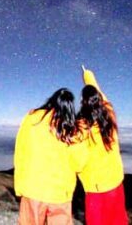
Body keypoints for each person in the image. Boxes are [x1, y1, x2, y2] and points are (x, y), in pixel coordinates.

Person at [14, 88, 88, 225]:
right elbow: (79, 163)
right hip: (60, 193)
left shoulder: (32, 119)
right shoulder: (73, 129)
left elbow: (20, 153)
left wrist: (19, 187)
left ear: (51, 101)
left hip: (32, 188)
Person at [77, 66, 127, 225]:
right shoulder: (109, 115)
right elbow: (101, 96)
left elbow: (78, 158)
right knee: (118, 220)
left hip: (96, 187)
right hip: (115, 181)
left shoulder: (81, 127)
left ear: (82, 102)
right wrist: (88, 76)